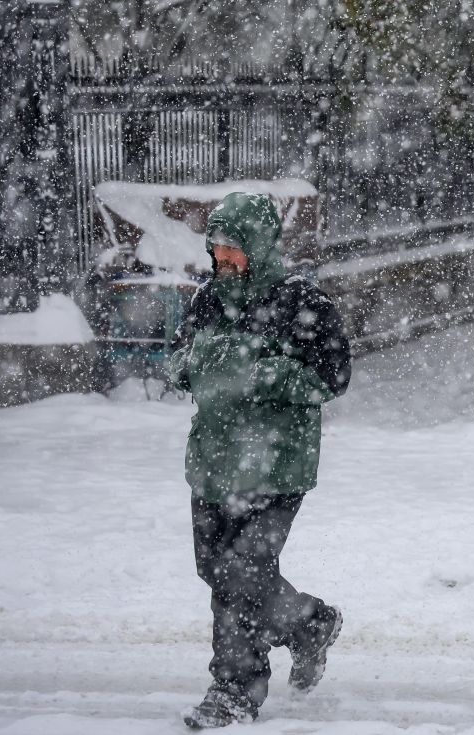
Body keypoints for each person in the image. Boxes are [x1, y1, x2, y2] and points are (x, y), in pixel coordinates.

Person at [167, 192, 351, 729]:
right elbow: (178, 361)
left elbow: (332, 379)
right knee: (216, 568)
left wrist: (259, 371)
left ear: (261, 247)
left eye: (233, 250)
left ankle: (234, 690)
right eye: (216, 249)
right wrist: (195, 363)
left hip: (276, 465)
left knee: (240, 572)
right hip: (214, 460)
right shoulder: (206, 297)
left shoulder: (302, 301)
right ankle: (309, 623)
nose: (223, 260)